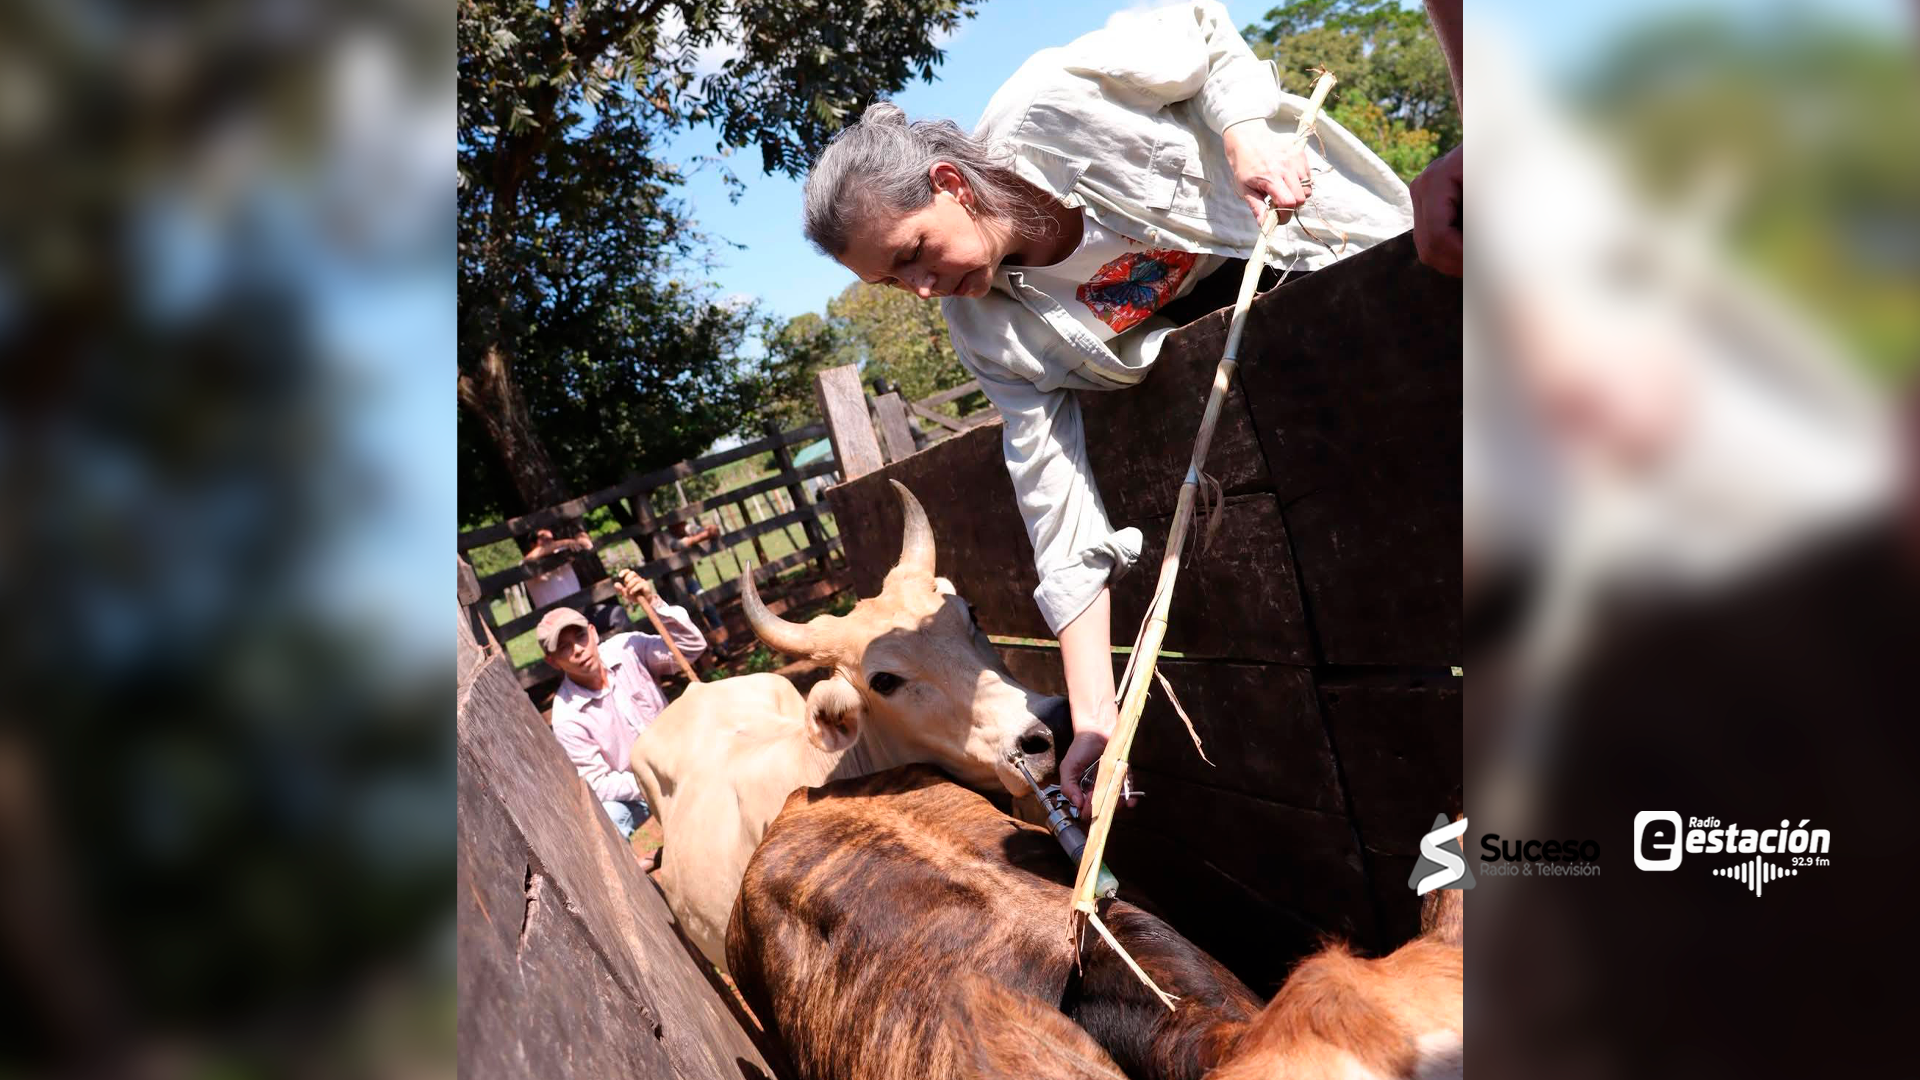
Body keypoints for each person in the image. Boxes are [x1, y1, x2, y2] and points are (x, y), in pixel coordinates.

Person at [800, 1, 1412, 812]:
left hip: (1338, 253)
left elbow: (1195, 23)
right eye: (892, 281)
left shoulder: (1053, 103)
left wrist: (1241, 130)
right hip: (1276, 390)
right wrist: (1094, 719)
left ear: (950, 185)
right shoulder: (986, 332)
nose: (919, 288)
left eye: (914, 252)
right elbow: (1056, 508)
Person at [539, 572, 706, 869]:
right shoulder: (567, 716)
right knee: (609, 822)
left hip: (688, 756)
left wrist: (652, 601)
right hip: (638, 789)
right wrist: (654, 780)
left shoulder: (627, 648)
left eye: (579, 637)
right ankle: (642, 886)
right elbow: (599, 783)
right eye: (564, 648)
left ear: (592, 632)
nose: (577, 650)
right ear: (553, 662)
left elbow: (691, 649)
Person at [524, 525, 631, 635]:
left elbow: (585, 543)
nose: (552, 543)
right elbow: (529, 559)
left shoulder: (561, 553)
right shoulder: (527, 567)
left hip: (583, 616)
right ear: (533, 544)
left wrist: (579, 538)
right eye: (545, 540)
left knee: (617, 613)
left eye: (552, 539)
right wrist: (566, 542)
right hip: (559, 628)